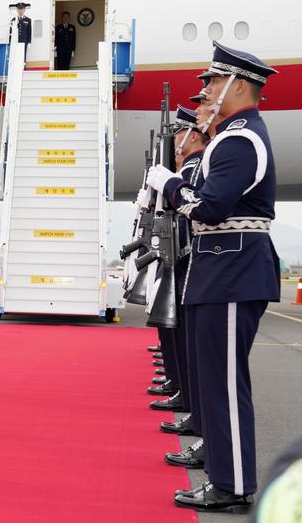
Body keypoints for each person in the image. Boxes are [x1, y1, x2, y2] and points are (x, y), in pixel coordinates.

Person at [147, 42, 279, 513]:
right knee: (211, 378)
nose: (206, 91)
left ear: (239, 86)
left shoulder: (240, 140)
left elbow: (209, 207)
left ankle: (233, 483)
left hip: (233, 271)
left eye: (214, 82)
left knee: (223, 383)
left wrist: (170, 184)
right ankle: (223, 468)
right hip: (220, 269)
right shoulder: (232, 137)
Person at [159, 102, 209, 444]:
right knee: (179, 334)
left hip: (189, 258)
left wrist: (170, 185)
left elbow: (190, 209)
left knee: (187, 338)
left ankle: (188, 401)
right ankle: (184, 396)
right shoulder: (191, 167)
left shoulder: (193, 167)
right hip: (184, 258)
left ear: (192, 136)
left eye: (180, 132)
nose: (176, 139)